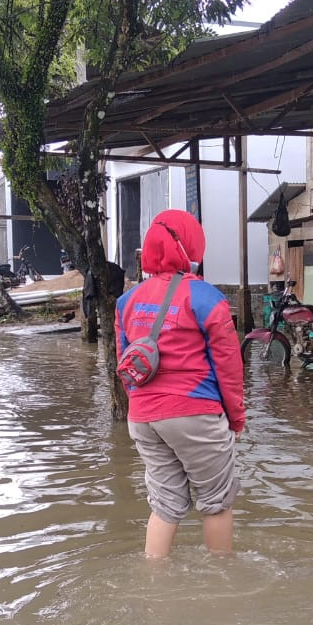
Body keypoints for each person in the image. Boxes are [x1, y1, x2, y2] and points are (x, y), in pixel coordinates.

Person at [115, 209, 245, 559]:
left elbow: (124, 365)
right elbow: (229, 368)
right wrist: (236, 419)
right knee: (216, 503)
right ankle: (223, 581)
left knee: (165, 504)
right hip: (194, 412)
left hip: (142, 417)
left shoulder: (126, 302)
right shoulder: (207, 298)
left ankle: (153, 580)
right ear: (191, 247)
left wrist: (143, 405)